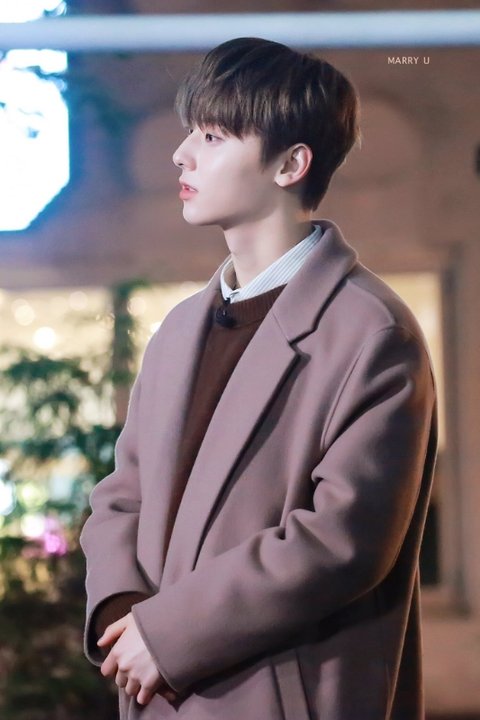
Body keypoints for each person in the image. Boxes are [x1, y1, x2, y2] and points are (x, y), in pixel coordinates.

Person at [80, 37, 437, 720]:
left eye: (213, 136)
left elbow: (344, 539)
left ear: (291, 164)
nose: (181, 154)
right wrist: (127, 615)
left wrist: (170, 634)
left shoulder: (370, 332)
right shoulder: (181, 328)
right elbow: (121, 494)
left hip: (277, 694)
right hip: (157, 691)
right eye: (190, 132)